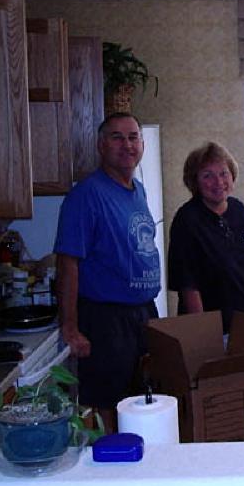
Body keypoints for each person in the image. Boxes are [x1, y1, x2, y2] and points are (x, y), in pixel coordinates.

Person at [54, 112, 161, 433]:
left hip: (142, 314)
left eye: (133, 137)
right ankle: (110, 472)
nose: (126, 145)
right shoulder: (85, 195)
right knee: (106, 406)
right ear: (101, 146)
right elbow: (67, 263)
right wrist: (70, 328)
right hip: (104, 319)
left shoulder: (137, 190)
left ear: (142, 144)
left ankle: (136, 475)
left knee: (140, 400)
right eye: (117, 137)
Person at [167, 142, 244, 334]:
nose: (218, 182)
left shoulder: (239, 211)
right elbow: (188, 285)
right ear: (195, 182)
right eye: (207, 176)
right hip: (210, 330)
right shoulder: (188, 219)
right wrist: (204, 333)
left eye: (223, 173)